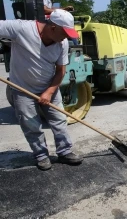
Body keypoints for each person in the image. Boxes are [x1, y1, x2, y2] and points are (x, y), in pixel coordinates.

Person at [0, 9, 83, 170]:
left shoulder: (62, 43)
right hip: (22, 89)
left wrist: (49, 92)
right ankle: (41, 155)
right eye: (64, 32)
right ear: (53, 27)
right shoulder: (22, 29)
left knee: (59, 120)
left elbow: (61, 71)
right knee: (31, 125)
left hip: (49, 86)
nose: (66, 37)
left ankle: (65, 151)